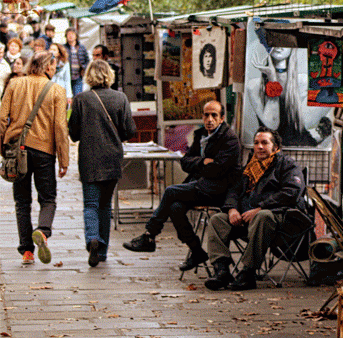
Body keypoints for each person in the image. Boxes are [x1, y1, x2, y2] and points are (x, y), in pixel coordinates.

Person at [123, 100, 241, 270]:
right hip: (201, 185)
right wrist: (202, 162)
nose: (209, 119)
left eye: (214, 115)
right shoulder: (201, 135)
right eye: (206, 115)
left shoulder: (229, 139)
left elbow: (218, 170)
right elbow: (185, 162)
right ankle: (197, 251)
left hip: (218, 190)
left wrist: (201, 165)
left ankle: (150, 235)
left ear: (222, 118)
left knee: (170, 191)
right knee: (175, 208)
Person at [204, 127, 307, 291]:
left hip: (281, 218)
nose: (259, 147)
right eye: (256, 143)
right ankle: (222, 271)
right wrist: (231, 209)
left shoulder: (287, 165)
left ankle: (247, 272)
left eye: (265, 143)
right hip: (247, 219)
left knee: (263, 216)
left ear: (275, 147)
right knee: (217, 220)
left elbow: (292, 192)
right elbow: (234, 191)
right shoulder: (249, 168)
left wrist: (260, 208)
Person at [0, 51, 69, 265]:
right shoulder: (57, 90)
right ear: (48, 67)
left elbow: (2, 118)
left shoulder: (14, 84)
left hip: (17, 149)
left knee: (22, 201)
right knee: (47, 198)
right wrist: (64, 160)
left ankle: (27, 252)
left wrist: (3, 148)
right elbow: (60, 126)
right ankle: (43, 231)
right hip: (43, 151)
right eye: (53, 66)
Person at [69, 60, 137, 266]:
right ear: (109, 75)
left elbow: (73, 134)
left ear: (89, 76)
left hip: (89, 158)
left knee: (90, 204)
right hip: (112, 158)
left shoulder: (81, 99)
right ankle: (103, 251)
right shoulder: (120, 98)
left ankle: (92, 239)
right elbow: (129, 131)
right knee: (105, 206)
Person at [64, 27, 89, 96]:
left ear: (76, 36)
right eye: (68, 34)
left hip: (78, 77)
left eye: (72, 34)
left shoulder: (81, 47)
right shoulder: (64, 48)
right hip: (66, 77)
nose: (70, 36)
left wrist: (84, 68)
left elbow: (87, 60)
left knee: (78, 96)